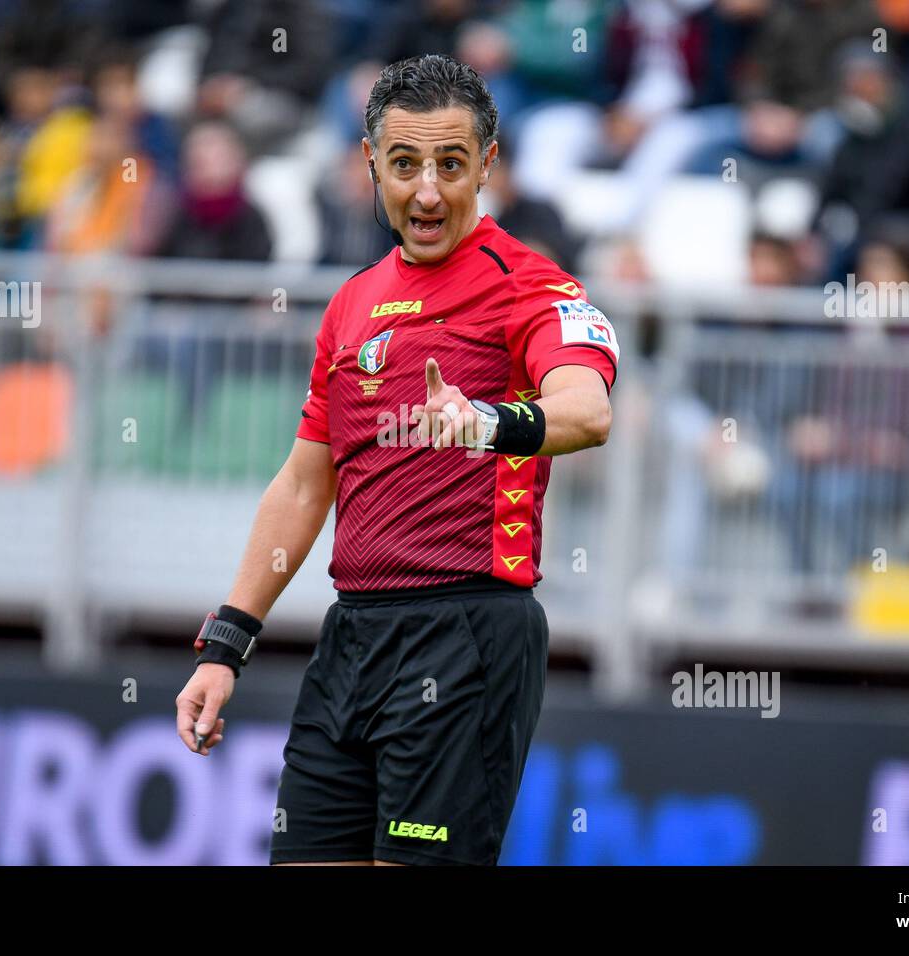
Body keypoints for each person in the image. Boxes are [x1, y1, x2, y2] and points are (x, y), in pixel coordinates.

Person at [174, 54, 618, 866]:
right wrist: (225, 645)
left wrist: (486, 421)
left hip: (470, 634)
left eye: (451, 165)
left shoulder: (533, 286)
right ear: (370, 163)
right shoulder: (352, 303)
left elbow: (587, 413)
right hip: (353, 639)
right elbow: (306, 483)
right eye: (405, 164)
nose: (426, 191)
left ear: (487, 165)